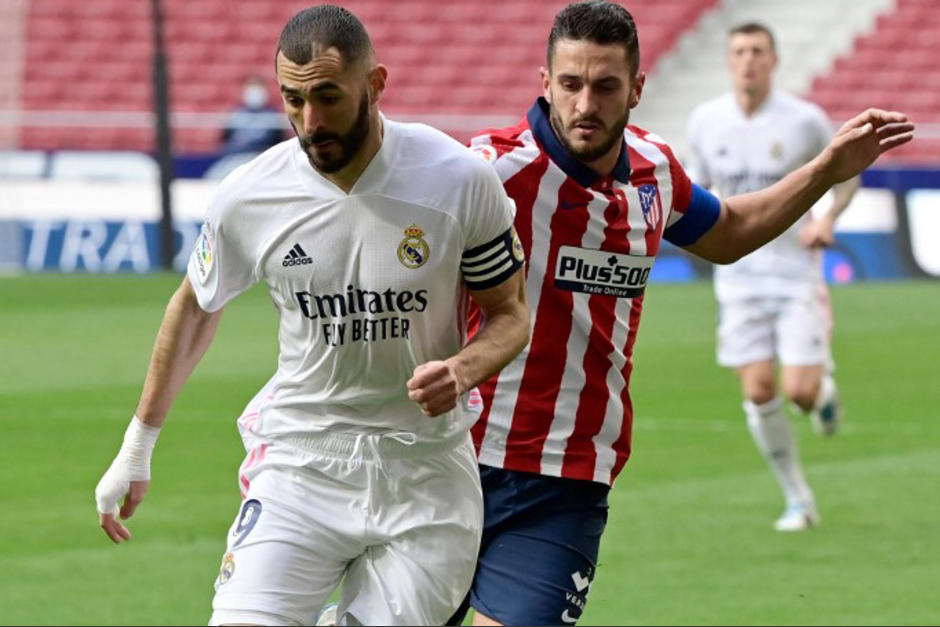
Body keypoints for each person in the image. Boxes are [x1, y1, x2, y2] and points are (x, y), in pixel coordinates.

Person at [450, 1, 913, 625]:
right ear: (545, 84)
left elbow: (729, 232)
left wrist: (825, 171)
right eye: (571, 84)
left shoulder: (654, 172)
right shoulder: (488, 172)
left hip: (568, 477)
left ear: (637, 88)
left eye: (605, 86)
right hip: (452, 461)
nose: (586, 104)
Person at [93, 5, 530, 626]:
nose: (310, 121)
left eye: (328, 97)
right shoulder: (250, 195)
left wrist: (462, 370)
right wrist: (137, 445)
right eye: (293, 100)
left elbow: (510, 314)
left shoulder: (458, 179)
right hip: (301, 462)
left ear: (375, 84)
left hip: (426, 473)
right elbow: (195, 305)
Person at [686, 22, 860, 532]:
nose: (748, 60)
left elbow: (847, 172)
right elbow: (696, 187)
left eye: (757, 51)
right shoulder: (706, 121)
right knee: (759, 391)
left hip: (794, 277)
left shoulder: (804, 120)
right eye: (739, 51)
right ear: (728, 60)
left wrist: (827, 220)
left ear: (774, 60)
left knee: (799, 391)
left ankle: (821, 395)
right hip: (737, 279)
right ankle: (798, 500)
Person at [219, 74, 286, 155]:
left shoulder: (273, 115)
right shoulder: (236, 114)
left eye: (258, 88)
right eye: (252, 87)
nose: (255, 93)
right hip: (239, 156)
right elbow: (225, 140)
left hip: (264, 156)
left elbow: (280, 141)